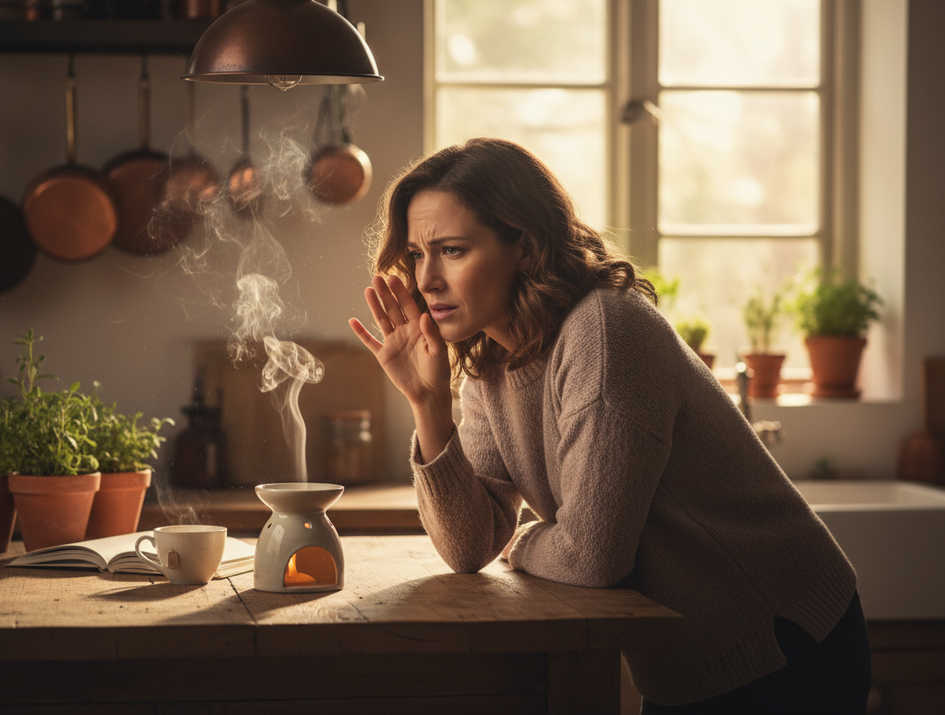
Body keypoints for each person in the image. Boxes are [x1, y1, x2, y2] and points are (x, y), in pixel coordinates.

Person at [349, 137, 871, 713]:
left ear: (525, 246)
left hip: (781, 638)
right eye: (418, 255)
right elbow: (470, 546)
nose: (426, 280)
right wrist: (428, 406)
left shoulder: (603, 331)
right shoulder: (490, 369)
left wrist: (522, 543)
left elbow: (592, 558)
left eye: (451, 250)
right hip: (687, 661)